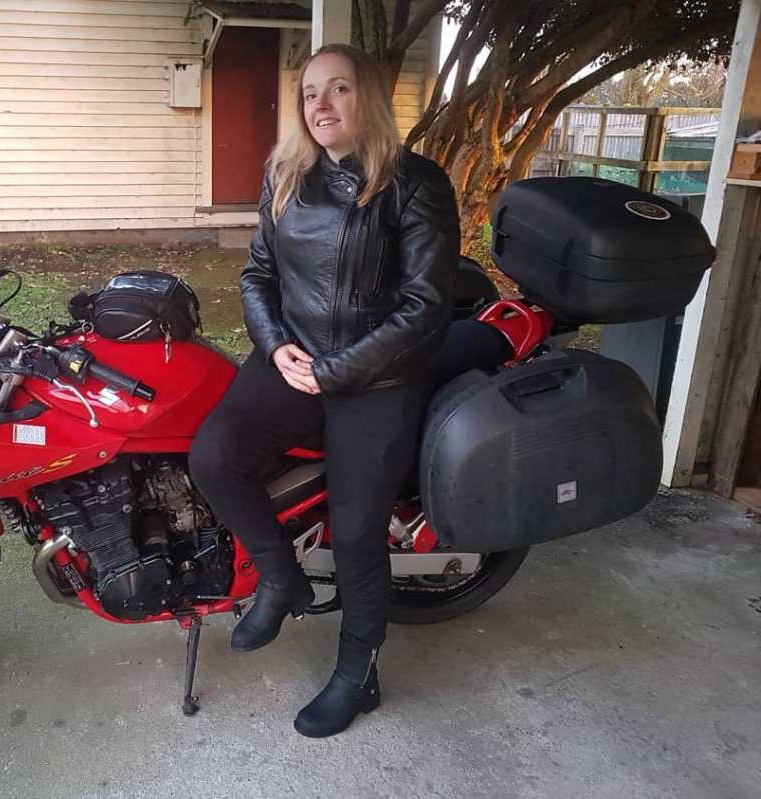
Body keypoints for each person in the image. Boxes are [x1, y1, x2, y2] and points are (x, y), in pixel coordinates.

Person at [188, 43, 460, 738]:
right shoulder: (286, 173)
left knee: (357, 529)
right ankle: (281, 577)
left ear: (367, 97)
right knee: (214, 455)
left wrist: (337, 371)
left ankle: (358, 674)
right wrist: (274, 343)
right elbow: (257, 275)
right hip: (294, 358)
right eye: (310, 92)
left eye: (338, 88)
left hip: (379, 376)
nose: (321, 103)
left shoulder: (414, 184)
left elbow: (426, 307)